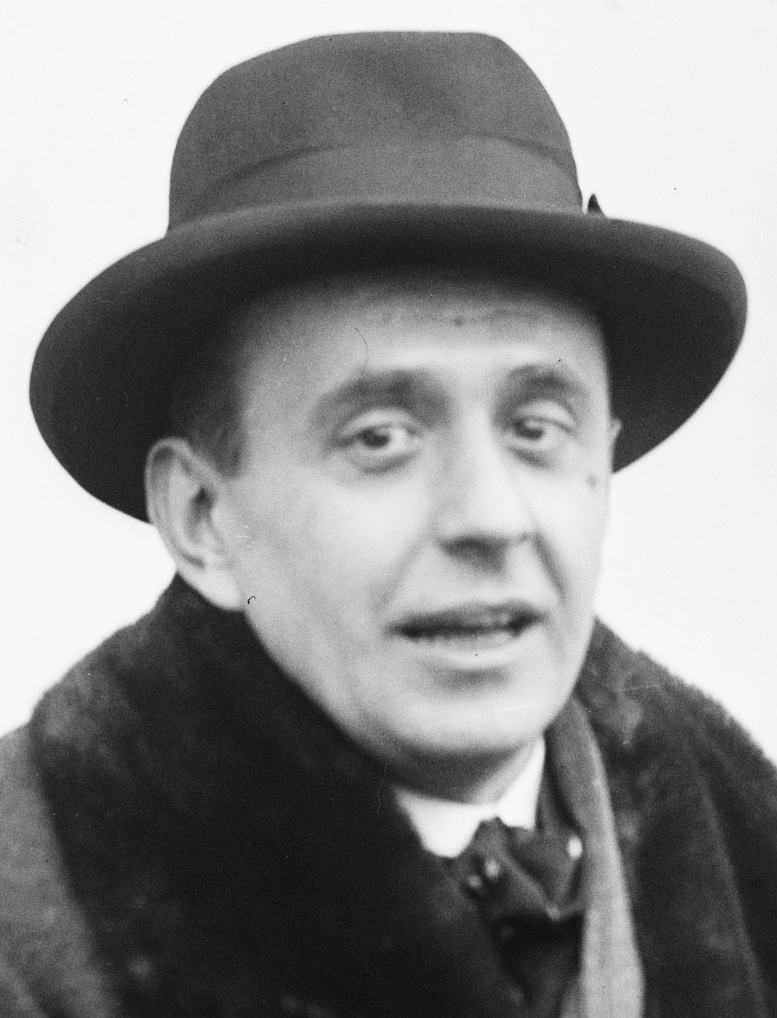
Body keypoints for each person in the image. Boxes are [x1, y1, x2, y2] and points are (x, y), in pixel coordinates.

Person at [1, 30, 775, 1018]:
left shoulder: (746, 835)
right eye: (380, 439)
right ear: (203, 518)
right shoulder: (31, 913)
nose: (490, 517)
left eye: (536, 428)